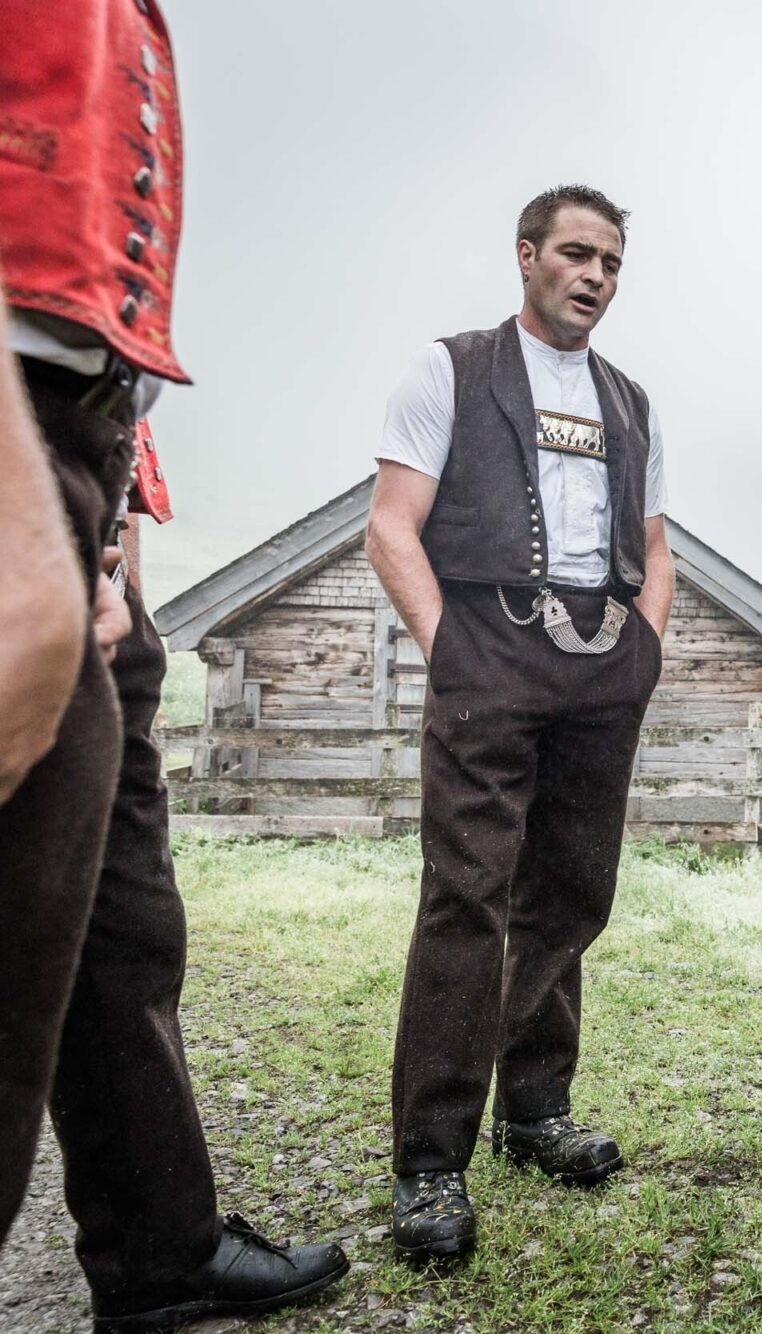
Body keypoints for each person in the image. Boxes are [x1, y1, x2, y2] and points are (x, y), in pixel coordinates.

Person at [1, 4, 350, 1327]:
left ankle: (158, 1249)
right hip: (19, 463)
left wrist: (103, 546)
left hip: (75, 474)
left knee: (121, 925)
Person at [367, 183, 674, 1265]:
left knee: (572, 888)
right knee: (467, 894)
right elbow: (389, 527)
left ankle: (534, 1106)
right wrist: (454, 649)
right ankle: (429, 1160)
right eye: (577, 254)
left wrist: (642, 649)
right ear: (526, 255)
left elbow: (655, 539)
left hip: (602, 664)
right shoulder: (449, 369)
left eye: (612, 263)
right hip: (486, 652)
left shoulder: (630, 400)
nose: (594, 276)